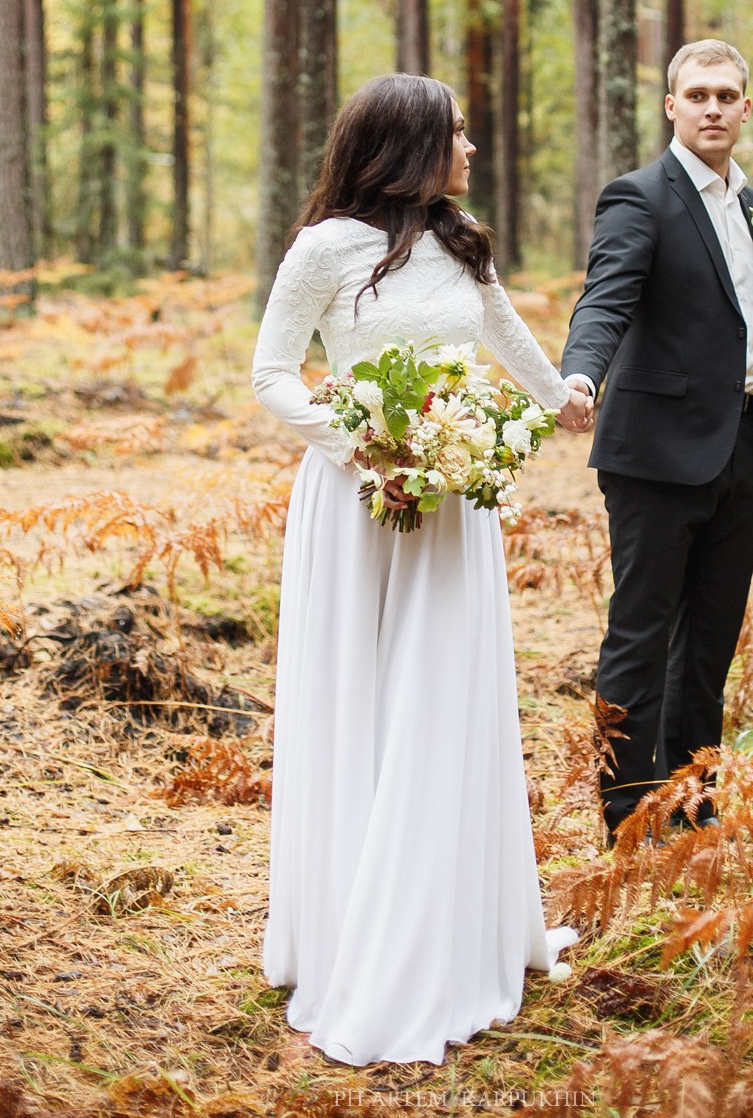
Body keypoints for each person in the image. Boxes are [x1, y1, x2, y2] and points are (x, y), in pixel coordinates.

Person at [251, 73, 590, 1067]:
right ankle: (350, 935)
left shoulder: (460, 239)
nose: (471, 148)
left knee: (439, 699)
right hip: (357, 502)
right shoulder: (324, 249)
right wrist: (360, 443)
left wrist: (565, 396)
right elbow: (271, 374)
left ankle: (448, 927)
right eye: (456, 133)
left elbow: (507, 341)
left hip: (449, 505)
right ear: (407, 145)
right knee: (361, 700)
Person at [561, 39, 753, 841]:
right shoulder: (639, 198)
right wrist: (581, 375)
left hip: (745, 448)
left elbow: (751, 321)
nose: (712, 108)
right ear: (671, 107)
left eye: (726, 95)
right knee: (642, 636)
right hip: (656, 454)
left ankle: (694, 805)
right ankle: (628, 816)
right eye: (697, 95)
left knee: (709, 644)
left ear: (746, 107)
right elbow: (605, 299)